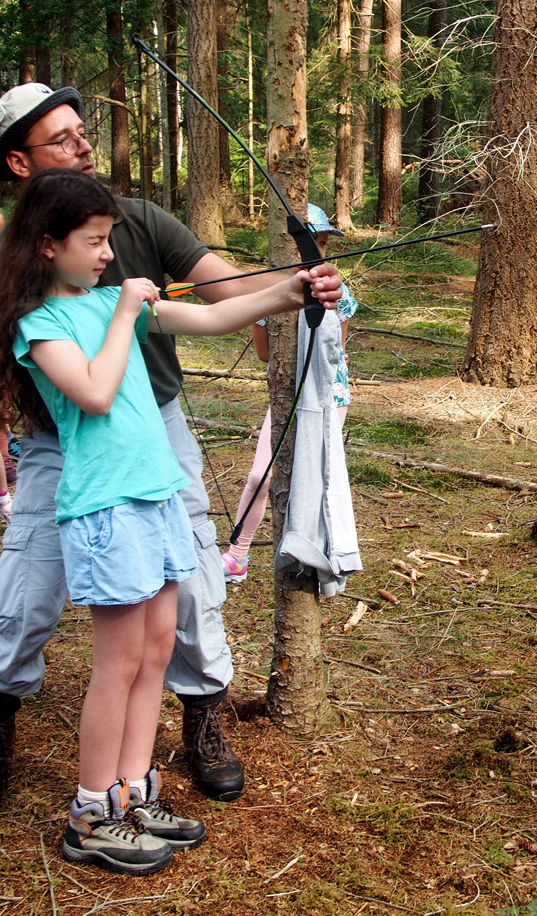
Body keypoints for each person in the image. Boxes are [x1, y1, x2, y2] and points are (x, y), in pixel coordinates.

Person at [0, 82, 342, 804]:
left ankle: (189, 728)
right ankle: (36, 742)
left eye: (83, 131)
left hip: (152, 441)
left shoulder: (130, 226)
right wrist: (128, 304)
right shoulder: (37, 278)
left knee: (183, 598)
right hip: (62, 444)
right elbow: (84, 386)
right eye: (61, 139)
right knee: (28, 597)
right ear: (20, 165)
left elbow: (226, 299)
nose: (83, 145)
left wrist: (298, 289)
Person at [219, 203, 359, 583]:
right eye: (310, 242)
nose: (318, 250)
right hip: (286, 393)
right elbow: (266, 352)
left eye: (322, 243)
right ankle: (237, 555)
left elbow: (336, 350)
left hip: (328, 395)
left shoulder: (334, 286)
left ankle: (318, 555)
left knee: (316, 476)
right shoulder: (267, 290)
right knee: (260, 476)